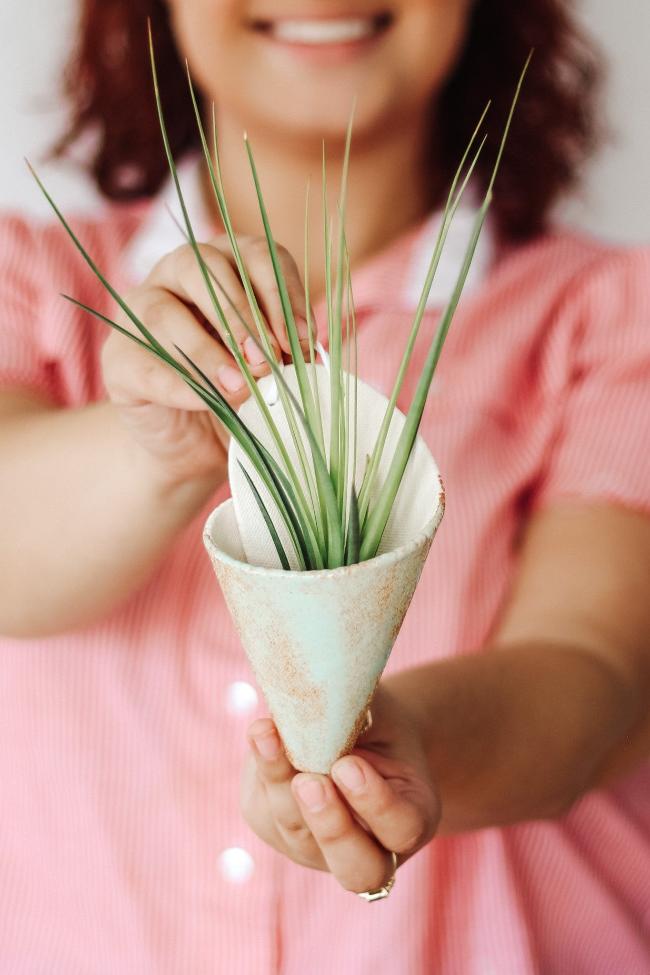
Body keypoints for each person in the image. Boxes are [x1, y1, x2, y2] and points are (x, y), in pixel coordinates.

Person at [1, 0, 649, 972]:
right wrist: (166, 445)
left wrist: (409, 742)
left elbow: (593, 675)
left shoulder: (606, 315)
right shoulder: (32, 272)